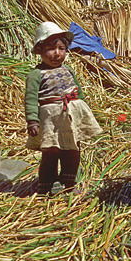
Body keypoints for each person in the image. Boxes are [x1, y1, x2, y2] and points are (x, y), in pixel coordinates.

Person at [25, 22, 102, 195]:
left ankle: (69, 183)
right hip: (50, 118)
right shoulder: (36, 74)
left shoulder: (68, 70)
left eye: (61, 48)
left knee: (72, 149)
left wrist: (85, 115)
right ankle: (46, 185)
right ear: (40, 50)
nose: (57, 54)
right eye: (51, 49)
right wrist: (32, 121)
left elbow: (78, 92)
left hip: (70, 116)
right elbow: (30, 99)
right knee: (51, 151)